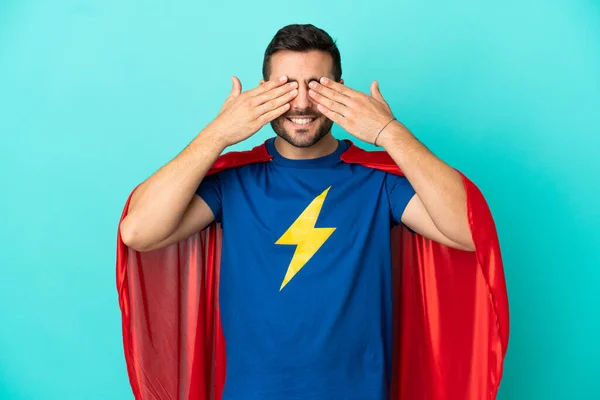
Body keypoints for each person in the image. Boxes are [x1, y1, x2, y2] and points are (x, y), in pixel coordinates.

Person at [116, 24, 509, 400]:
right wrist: (218, 133)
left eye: (317, 87)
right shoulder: (233, 182)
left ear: (340, 91)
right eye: (286, 87)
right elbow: (139, 232)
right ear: (262, 92)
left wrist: (388, 131)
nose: (302, 103)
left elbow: (471, 232)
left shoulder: (377, 182)